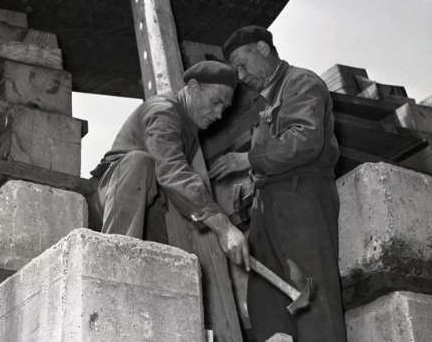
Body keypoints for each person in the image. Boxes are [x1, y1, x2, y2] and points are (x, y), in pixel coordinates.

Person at [209, 26, 347, 342]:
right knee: (266, 305)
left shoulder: (301, 83)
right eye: (235, 69)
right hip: (267, 206)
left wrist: (247, 160)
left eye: (242, 64)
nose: (240, 75)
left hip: (301, 198)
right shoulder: (265, 103)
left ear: (263, 48)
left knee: (312, 300)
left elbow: (305, 140)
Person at [88, 60, 250, 270]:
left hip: (146, 205)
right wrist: (224, 227)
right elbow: (172, 171)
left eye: (224, 108)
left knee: (160, 269)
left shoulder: (188, 126)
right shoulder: (163, 111)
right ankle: (114, 262)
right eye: (215, 102)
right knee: (140, 162)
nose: (219, 114)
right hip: (107, 199)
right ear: (193, 87)